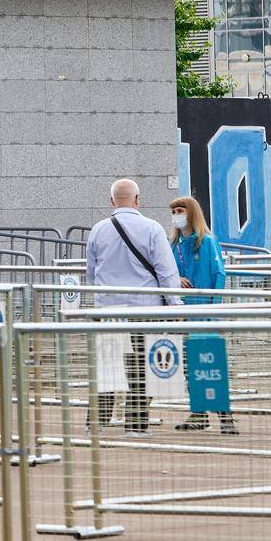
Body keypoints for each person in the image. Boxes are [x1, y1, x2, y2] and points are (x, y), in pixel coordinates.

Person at [85, 178, 181, 436]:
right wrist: (175, 307)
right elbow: (166, 271)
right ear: (138, 200)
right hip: (144, 309)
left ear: (111, 201)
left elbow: (91, 272)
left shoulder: (98, 230)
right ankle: (136, 424)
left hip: (107, 310)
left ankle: (97, 423)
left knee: (107, 365)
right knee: (140, 367)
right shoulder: (152, 229)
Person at [169, 195, 238, 435]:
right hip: (185, 314)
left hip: (205, 313)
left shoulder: (206, 242)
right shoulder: (174, 245)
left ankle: (225, 416)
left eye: (180, 210)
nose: (177, 214)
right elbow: (167, 272)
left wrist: (214, 309)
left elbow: (219, 274)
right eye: (174, 211)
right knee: (190, 366)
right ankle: (198, 412)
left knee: (211, 363)